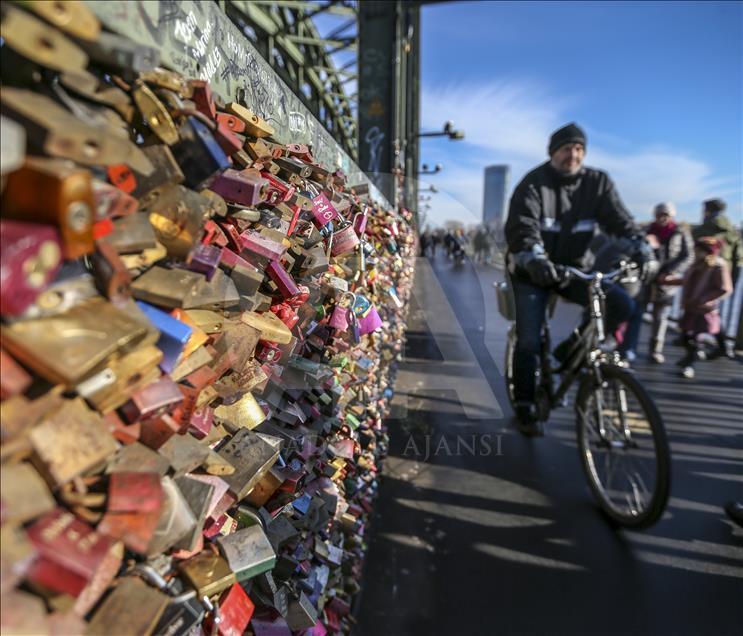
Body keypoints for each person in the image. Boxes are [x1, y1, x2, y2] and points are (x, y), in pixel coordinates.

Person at [504, 122, 649, 436]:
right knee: (529, 338)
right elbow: (522, 226)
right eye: (567, 148)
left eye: (580, 149)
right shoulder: (533, 183)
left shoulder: (598, 183)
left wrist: (640, 245)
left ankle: (569, 352)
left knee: (622, 304)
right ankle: (525, 404)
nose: (574, 154)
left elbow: (619, 220)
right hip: (534, 271)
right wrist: (533, 257)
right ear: (553, 152)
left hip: (575, 270)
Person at [620, 202, 693, 363]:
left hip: (665, 282)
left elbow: (687, 256)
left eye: (665, 215)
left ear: (671, 216)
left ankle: (655, 350)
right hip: (645, 279)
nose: (662, 218)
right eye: (659, 214)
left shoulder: (680, 232)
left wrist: (670, 271)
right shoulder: (647, 230)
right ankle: (629, 347)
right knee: (635, 313)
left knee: (660, 317)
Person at [672, 237, 733, 378]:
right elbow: (687, 280)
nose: (696, 253)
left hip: (704, 309)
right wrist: (670, 281)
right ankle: (721, 348)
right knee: (687, 336)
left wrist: (704, 299)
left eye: (699, 250)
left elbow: (724, 288)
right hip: (691, 307)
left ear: (708, 252)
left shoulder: (717, 266)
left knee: (695, 337)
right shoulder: (696, 264)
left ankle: (690, 365)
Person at [692, 198, 742, 359]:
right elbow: (737, 256)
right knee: (710, 310)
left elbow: (693, 244)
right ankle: (719, 345)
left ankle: (693, 348)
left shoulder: (707, 227)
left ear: (708, 210)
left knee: (701, 307)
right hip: (723, 275)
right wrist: (731, 278)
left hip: (706, 274)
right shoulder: (730, 230)